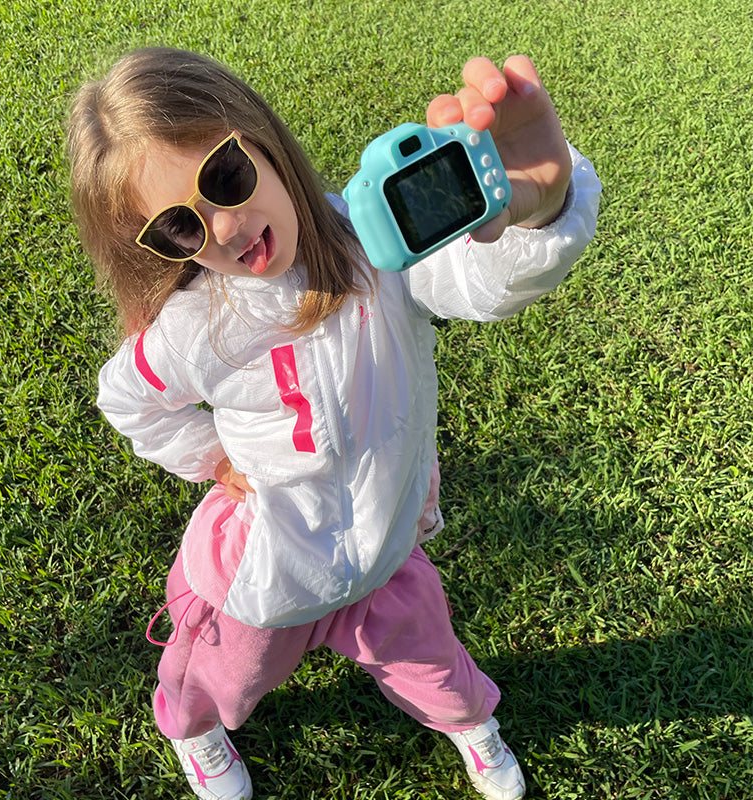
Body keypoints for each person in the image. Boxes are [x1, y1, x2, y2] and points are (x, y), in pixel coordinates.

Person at [67, 46, 600, 800]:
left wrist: (540, 209)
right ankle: (196, 733)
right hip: (265, 578)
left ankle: (468, 722)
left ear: (261, 137)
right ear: (156, 250)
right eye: (180, 229)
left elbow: (479, 280)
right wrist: (212, 459)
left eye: (226, 177)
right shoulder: (193, 329)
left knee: (435, 664)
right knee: (212, 680)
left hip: (385, 554)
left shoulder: (377, 244)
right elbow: (128, 400)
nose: (222, 227)